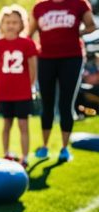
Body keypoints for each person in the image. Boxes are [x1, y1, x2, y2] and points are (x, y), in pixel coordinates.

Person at [29, 0, 96, 162]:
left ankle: (64, 149)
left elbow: (92, 25)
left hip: (71, 59)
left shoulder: (79, 4)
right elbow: (29, 34)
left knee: (66, 104)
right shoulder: (40, 7)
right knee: (47, 104)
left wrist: (77, 32)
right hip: (46, 59)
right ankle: (44, 147)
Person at [0, 5, 38, 167]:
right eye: (7, 22)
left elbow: (33, 67)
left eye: (15, 22)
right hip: (4, 92)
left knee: (23, 124)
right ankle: (7, 153)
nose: (11, 25)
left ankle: (25, 156)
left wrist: (30, 86)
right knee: (6, 124)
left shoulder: (27, 44)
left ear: (21, 24)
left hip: (22, 92)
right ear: (2, 24)